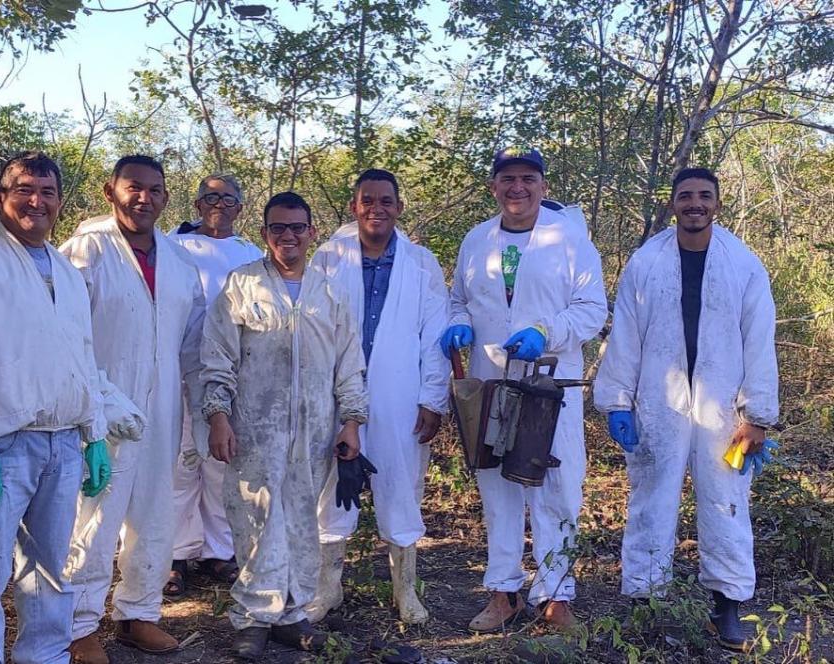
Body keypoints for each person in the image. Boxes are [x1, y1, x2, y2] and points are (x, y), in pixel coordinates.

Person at [594, 167, 779, 652]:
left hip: (723, 410)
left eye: (704, 196)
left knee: (726, 500)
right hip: (659, 401)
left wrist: (757, 414)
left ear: (717, 203)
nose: (695, 203)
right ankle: (645, 601)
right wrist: (617, 400)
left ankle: (727, 603)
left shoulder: (743, 264)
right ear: (672, 203)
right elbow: (627, 334)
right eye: (686, 196)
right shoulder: (646, 261)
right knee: (651, 498)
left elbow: (760, 341)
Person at [0, 152, 114, 663]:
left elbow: (82, 355)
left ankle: (44, 654)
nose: (35, 201)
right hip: (2, 442)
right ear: (0, 197)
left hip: (62, 440)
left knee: (49, 569)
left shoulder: (65, 269)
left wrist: (96, 431)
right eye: (23, 190)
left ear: (60, 202)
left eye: (46, 192)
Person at [442, 147, 607, 631]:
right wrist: (458, 325)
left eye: (528, 179)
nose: (518, 187)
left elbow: (591, 309)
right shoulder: (476, 240)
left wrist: (544, 331)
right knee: (496, 486)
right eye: (508, 179)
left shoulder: (571, 240)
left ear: (543, 186)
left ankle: (556, 597)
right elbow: (458, 301)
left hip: (549, 385)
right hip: (492, 380)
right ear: (494, 186)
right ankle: (503, 591)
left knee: (555, 485)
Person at [200, 192, 368, 660]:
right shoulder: (242, 285)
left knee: (301, 520)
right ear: (264, 233)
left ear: (311, 232)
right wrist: (218, 416)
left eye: (297, 228)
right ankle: (253, 618)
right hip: (253, 429)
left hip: (314, 433)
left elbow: (349, 366)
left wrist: (351, 423)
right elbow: (217, 358)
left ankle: (293, 613)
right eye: (278, 228)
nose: (288, 237)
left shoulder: (329, 292)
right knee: (253, 519)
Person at [61, 155, 206, 661]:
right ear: (110, 191)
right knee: (93, 517)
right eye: (133, 187)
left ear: (167, 198)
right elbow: (63, 334)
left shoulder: (181, 264)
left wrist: (206, 410)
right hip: (99, 410)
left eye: (155, 189)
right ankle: (78, 624)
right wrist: (90, 403)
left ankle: (137, 614)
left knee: (154, 514)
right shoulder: (85, 250)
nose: (144, 198)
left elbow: (193, 347)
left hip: (163, 410)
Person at [311, 169, 449, 624]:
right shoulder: (329, 258)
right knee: (331, 487)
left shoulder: (421, 263)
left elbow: (435, 337)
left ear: (399, 207)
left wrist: (433, 399)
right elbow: (311, 327)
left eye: (385, 201)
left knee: (401, 487)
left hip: (399, 395)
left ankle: (405, 592)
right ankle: (326, 588)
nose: (376, 209)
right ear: (354, 206)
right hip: (336, 391)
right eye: (367, 200)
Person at [166, 174, 262, 596]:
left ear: (241, 207)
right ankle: (175, 554)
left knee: (221, 462)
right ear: (197, 203)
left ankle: (219, 551)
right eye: (210, 197)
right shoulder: (174, 246)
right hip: (178, 368)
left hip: (230, 373)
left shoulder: (251, 253)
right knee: (181, 461)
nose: (218, 204)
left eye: (228, 198)